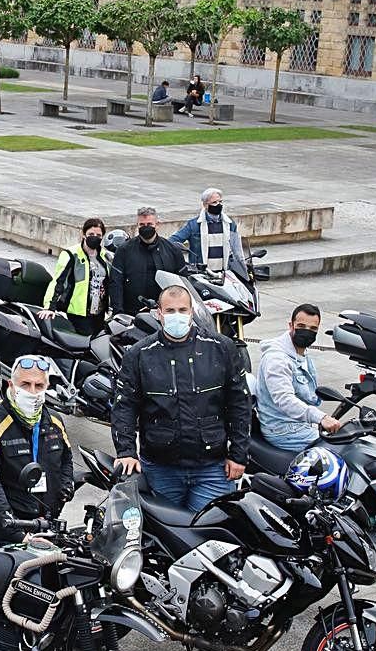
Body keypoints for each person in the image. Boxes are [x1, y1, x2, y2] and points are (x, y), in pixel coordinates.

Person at [111, 283, 250, 511]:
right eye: (170, 311)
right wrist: (126, 451)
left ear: (192, 311)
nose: (177, 316)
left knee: (209, 533)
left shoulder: (221, 348)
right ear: (159, 313)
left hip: (212, 468)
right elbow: (124, 405)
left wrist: (238, 454)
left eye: (182, 310)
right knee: (164, 539)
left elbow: (239, 404)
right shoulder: (139, 354)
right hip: (160, 468)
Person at [0, 355, 75, 550]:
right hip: (8, 532)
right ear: (11, 385)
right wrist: (18, 534)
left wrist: (65, 488)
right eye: (25, 384)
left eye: (39, 386)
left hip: (45, 526)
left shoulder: (54, 421)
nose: (32, 392)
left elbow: (66, 458)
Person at [256, 302, 342, 454]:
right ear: (291, 325)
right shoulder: (277, 359)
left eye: (313, 329)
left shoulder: (301, 353)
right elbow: (285, 399)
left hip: (302, 424)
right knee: (338, 453)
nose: (307, 332)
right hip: (283, 430)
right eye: (301, 326)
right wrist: (321, 418)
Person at [108, 205, 186, 315]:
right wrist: (118, 312)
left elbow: (183, 284)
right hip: (131, 313)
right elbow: (116, 283)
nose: (146, 227)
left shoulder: (173, 250)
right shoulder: (124, 250)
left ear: (157, 225)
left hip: (165, 313)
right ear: (137, 226)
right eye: (142, 225)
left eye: (149, 224)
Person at [43, 217, 111, 332]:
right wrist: (50, 307)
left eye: (98, 235)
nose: (95, 237)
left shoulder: (105, 256)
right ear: (83, 234)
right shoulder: (71, 254)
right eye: (91, 234)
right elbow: (58, 281)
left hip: (99, 314)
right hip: (78, 314)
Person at [170, 187, 249, 281]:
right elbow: (173, 241)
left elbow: (237, 251)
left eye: (220, 202)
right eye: (214, 202)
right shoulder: (194, 225)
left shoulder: (230, 224)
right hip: (201, 275)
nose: (218, 205)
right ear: (205, 205)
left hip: (224, 274)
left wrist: (244, 271)